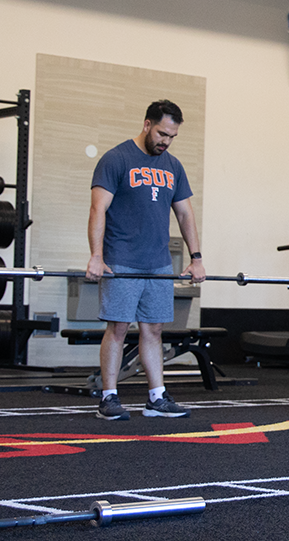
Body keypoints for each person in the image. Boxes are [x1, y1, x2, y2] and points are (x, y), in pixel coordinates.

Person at [86, 99, 206, 421]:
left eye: (172, 137)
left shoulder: (173, 167)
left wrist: (196, 258)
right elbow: (98, 209)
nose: (165, 141)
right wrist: (97, 257)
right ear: (146, 124)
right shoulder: (117, 159)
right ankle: (109, 397)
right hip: (122, 260)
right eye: (162, 133)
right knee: (118, 329)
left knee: (154, 331)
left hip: (158, 263)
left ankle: (156, 397)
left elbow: (185, 213)